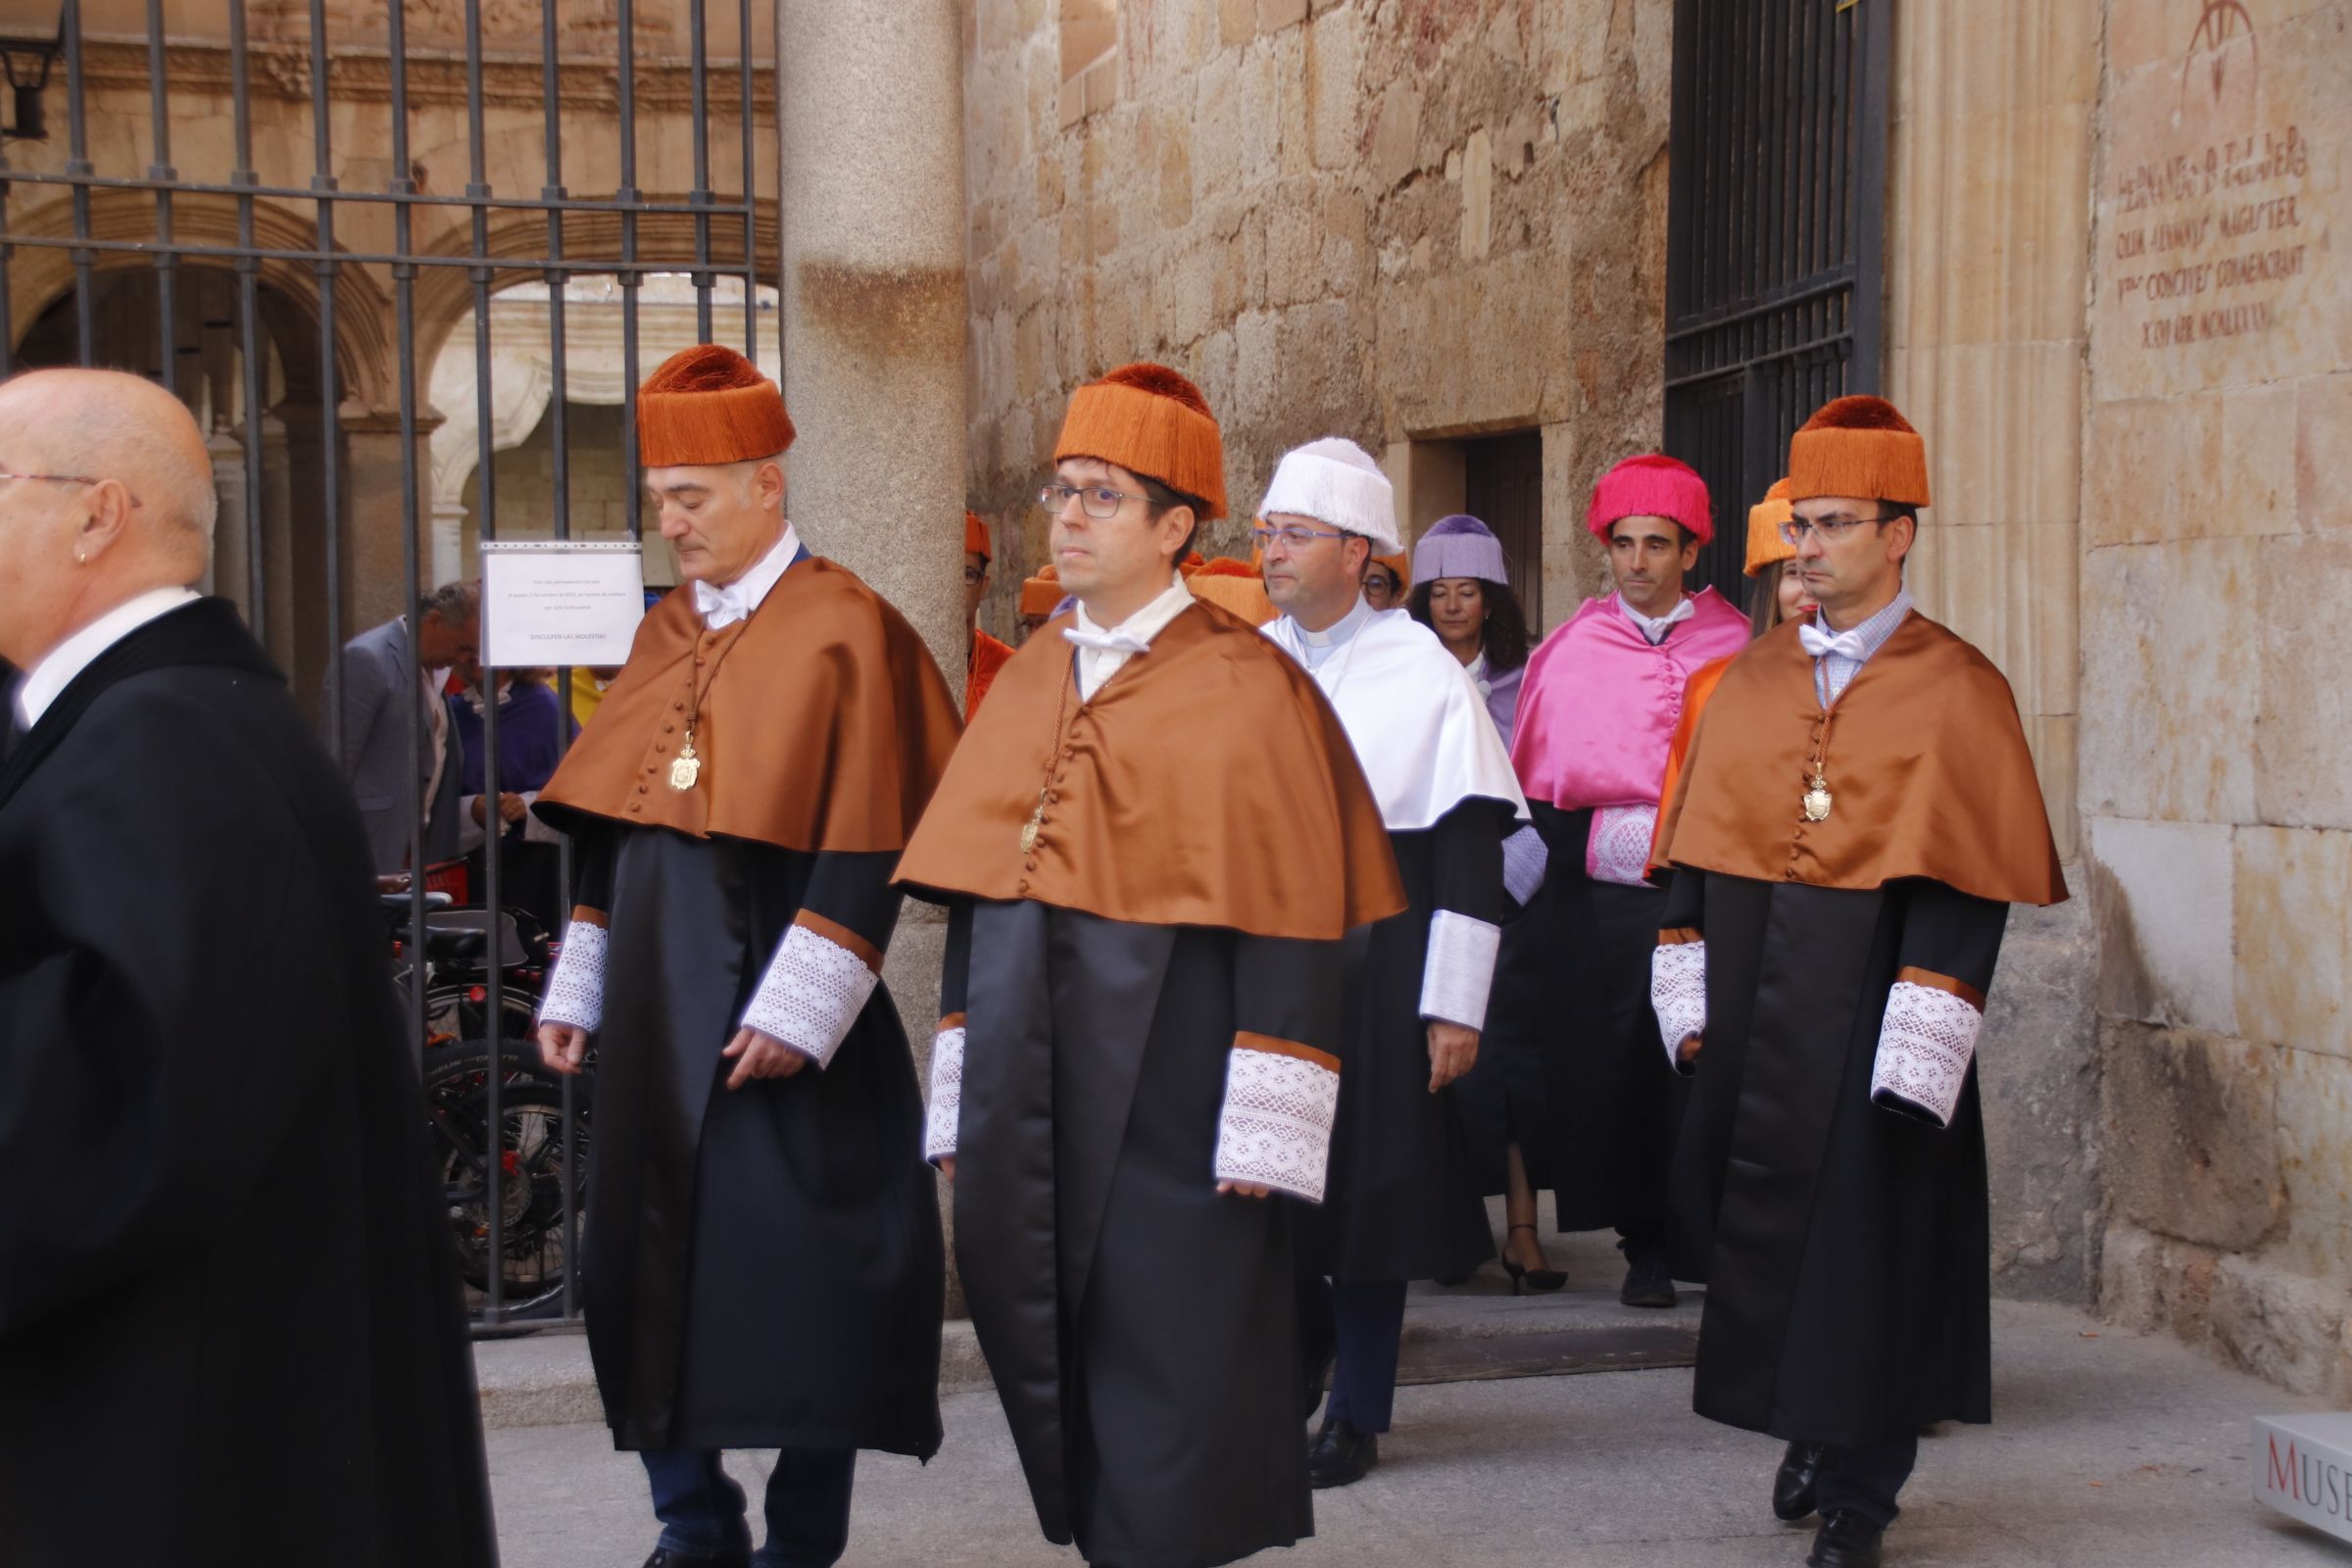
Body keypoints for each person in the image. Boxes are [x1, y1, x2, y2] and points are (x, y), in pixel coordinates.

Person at [897, 365, 1402, 1568]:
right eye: (1061, 492)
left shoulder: (1250, 686)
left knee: (1174, 1379)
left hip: (1184, 1100)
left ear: (1177, 527)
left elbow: (1298, 915)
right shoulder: (1027, 676)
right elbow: (978, 889)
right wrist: (962, 1077)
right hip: (1034, 1086)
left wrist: (1272, 1118)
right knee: (1058, 1353)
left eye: (1102, 497)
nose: (1067, 518)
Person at [0, 368, 497, 1565]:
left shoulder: (163, 743)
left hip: (173, 1447)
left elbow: (126, 1099)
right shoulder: (158, 721)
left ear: (95, 512)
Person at [528, 345, 963, 1568]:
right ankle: (694, 1521)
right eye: (659, 498)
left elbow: (874, 835)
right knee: (645, 1278)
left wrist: (808, 1003)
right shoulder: (668, 628)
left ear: (767, 486)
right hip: (658, 1019)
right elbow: (626, 829)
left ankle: (801, 1540)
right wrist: (583, 978)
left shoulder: (848, 627)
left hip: (785, 1011)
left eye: (692, 498)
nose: (669, 523)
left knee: (813, 1287)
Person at [1649, 397, 2065, 1568]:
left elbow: (1965, 890)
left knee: (1873, 1259)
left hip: (1878, 1020)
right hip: (1761, 1023)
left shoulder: (1958, 686)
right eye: (1800, 525)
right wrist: (1690, 1010)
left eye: (1833, 523)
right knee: (1773, 1249)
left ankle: (1862, 1493)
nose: (1809, 546)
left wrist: (1916, 1054)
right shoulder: (1752, 680)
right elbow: (1693, 859)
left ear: (1900, 534)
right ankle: (1810, 1432)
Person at [1257, 442, 1528, 1489]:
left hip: (1384, 964)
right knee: (1269, 1179)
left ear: (1357, 551)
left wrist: (1454, 1007)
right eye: (1269, 531)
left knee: (1365, 1193)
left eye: (1294, 533)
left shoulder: (1422, 672)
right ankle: (1287, 1371)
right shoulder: (1247, 657)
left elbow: (1467, 850)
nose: (1272, 551)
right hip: (1266, 961)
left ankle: (1358, 1407)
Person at [1509, 455, 1749, 1307]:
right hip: (1601, 909)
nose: (1638, 562)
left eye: (1657, 544)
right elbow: (1537, 792)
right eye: (1623, 544)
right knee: (1618, 1078)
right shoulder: (1571, 651)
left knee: (1700, 1068)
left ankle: (1709, 1238)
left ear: (1691, 551)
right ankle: (1642, 1241)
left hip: (1707, 901)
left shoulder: (1739, 648)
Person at [1404, 513, 1559, 1290]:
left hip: (1517, 882)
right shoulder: (1403, 674)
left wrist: (1516, 872)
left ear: (1493, 600)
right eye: (1440, 592)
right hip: (1428, 886)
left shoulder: (1531, 681)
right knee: (1432, 1059)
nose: (1454, 606)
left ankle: (1525, 1231)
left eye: (1468, 592)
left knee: (1511, 1061)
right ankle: (1449, 1225)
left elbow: (1547, 776)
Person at [339, 577, 480, 876]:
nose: (465, 659)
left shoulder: (434, 670)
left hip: (422, 846)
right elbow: (337, 763)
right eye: (464, 646)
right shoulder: (366, 658)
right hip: (373, 845)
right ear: (434, 621)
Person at [448, 662, 565, 923]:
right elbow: (434, 797)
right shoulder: (452, 713)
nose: (476, 657)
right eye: (468, 650)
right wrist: (471, 808)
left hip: (536, 868)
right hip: (471, 869)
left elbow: (578, 788)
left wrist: (527, 805)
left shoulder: (546, 707)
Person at [965, 509, 1015, 716]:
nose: (952, 588)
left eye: (967, 574)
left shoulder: (1010, 670)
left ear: (984, 586)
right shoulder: (901, 666)